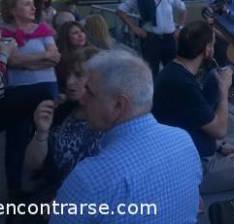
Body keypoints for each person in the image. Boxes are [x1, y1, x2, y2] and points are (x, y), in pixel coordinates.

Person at [50, 50, 202, 223]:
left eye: (89, 92)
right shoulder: (183, 141)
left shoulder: (89, 179)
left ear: (118, 105)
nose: (82, 100)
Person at [152, 21, 234, 209]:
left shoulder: (173, 72)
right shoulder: (183, 85)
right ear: (207, 50)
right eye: (213, 44)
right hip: (194, 167)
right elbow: (219, 129)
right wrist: (223, 89)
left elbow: (188, 124)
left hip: (186, 152)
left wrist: (220, 146)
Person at [0, 0, 61, 194]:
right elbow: (11, 60)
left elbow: (55, 58)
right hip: (17, 91)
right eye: (27, 4)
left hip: (46, 88)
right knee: (16, 137)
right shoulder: (2, 31)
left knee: (46, 133)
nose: (33, 7)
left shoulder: (43, 28)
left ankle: (49, 180)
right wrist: (41, 59)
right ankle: (15, 189)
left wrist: (24, 63)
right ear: (12, 9)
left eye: (33, 3)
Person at [24, 47, 103, 192]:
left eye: (78, 75)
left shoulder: (112, 120)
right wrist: (41, 132)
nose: (69, 82)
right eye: (68, 74)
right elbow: (32, 165)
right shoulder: (60, 113)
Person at [117, 0, 187, 77]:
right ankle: (153, 93)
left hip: (169, 39)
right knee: (150, 73)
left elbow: (183, 9)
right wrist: (134, 28)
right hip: (150, 40)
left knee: (172, 72)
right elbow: (120, 10)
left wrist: (180, 28)